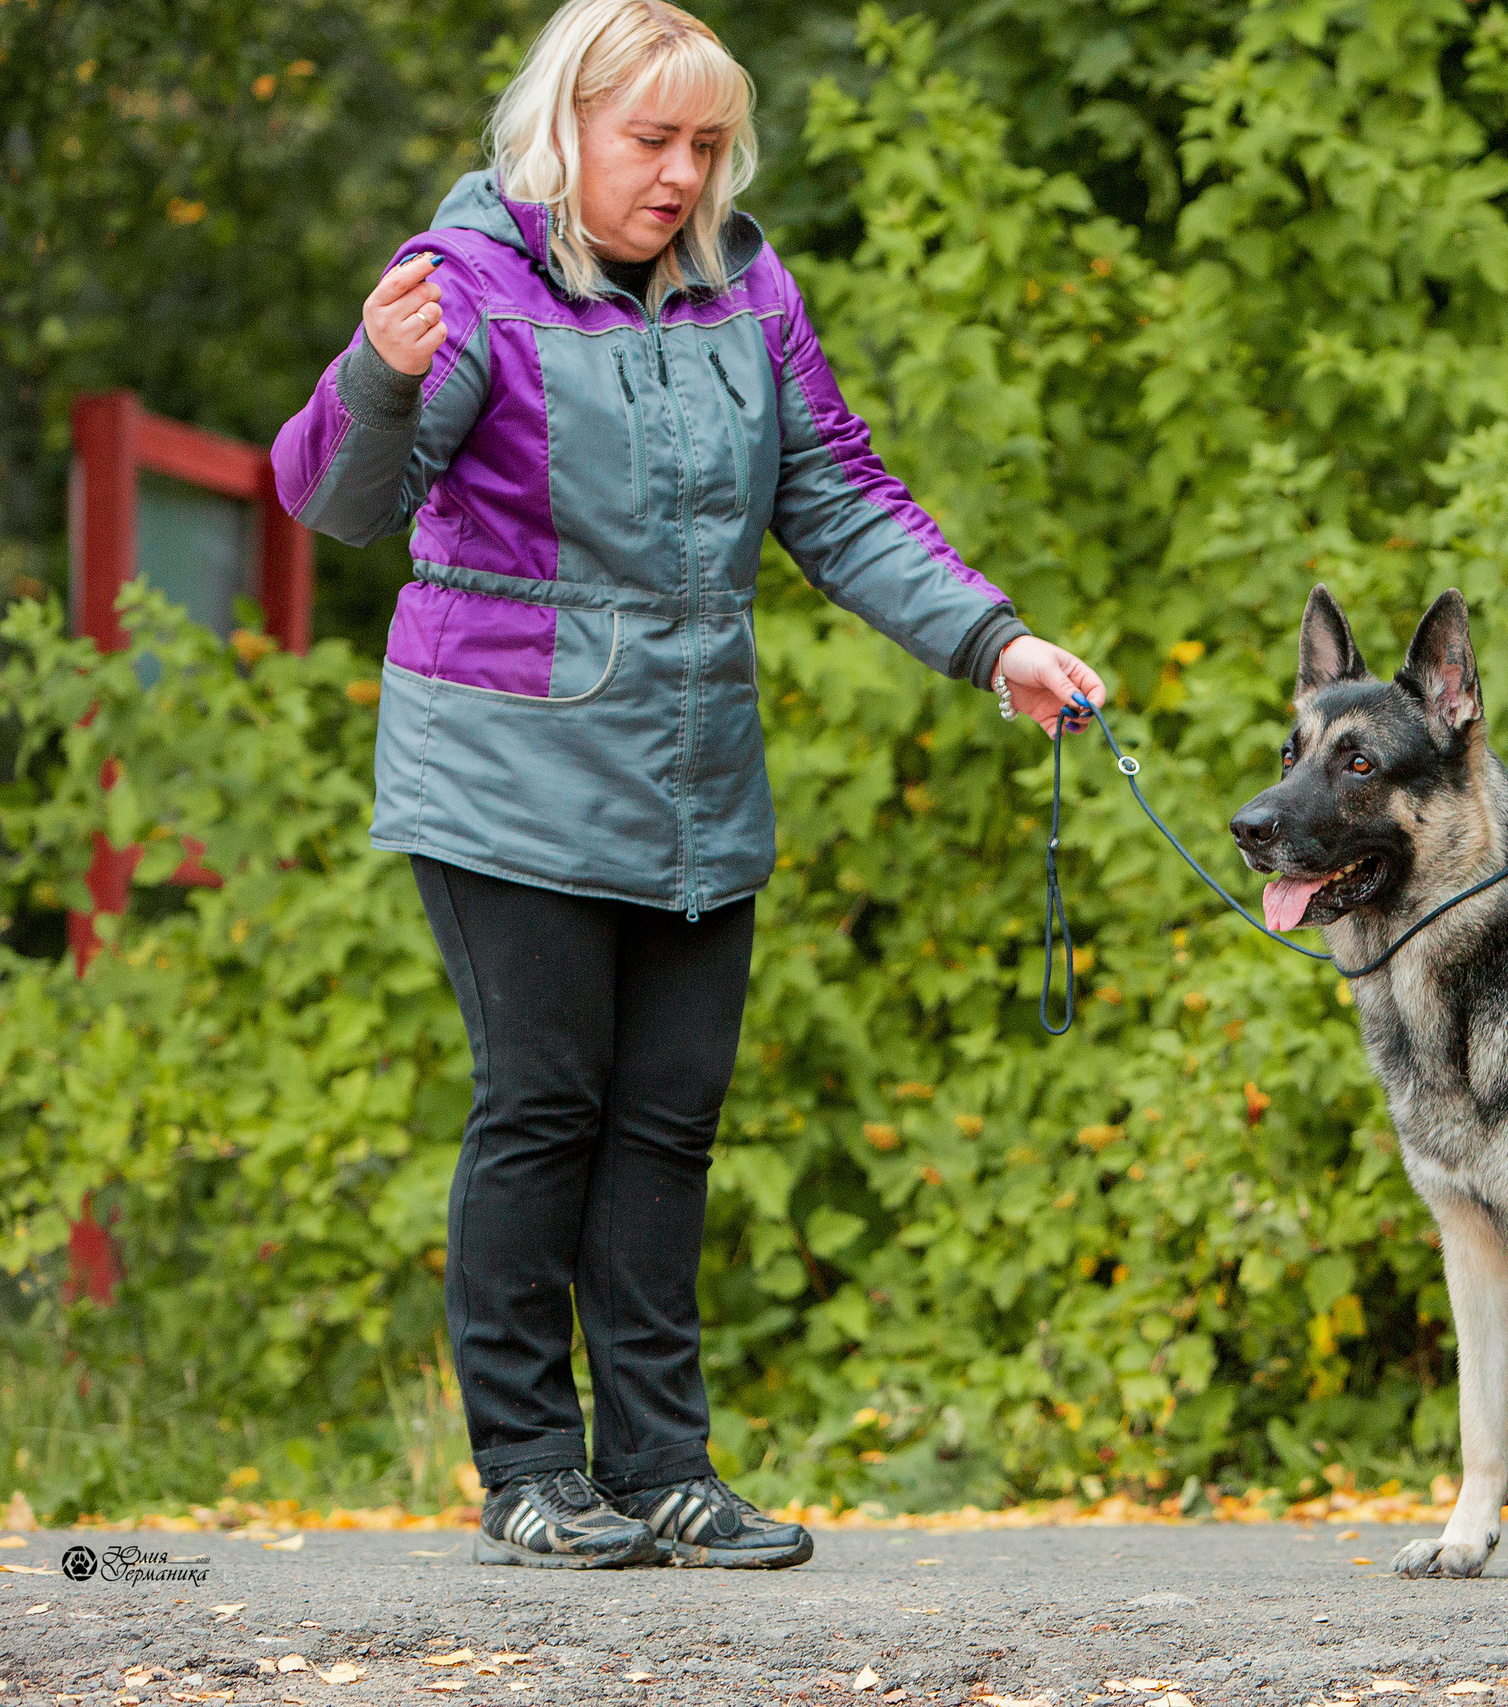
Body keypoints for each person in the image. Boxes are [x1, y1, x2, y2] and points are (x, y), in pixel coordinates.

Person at [271, 0, 1105, 1570]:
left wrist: (994, 643)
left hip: (693, 759)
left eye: (705, 143)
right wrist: (375, 382)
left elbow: (837, 494)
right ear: (564, 131)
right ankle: (527, 1469)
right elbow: (339, 504)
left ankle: (662, 1467)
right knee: (544, 1107)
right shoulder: (464, 284)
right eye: (650, 139)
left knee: (669, 1119)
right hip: (506, 756)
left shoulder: (747, 284)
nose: (679, 173)